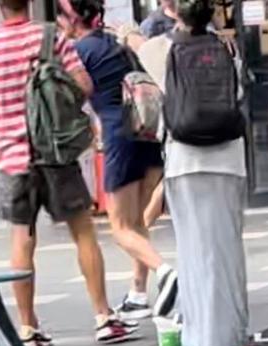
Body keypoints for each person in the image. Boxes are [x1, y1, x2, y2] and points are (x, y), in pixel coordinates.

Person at [0, 0, 139, 346]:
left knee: (22, 238)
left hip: (12, 158)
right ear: (29, 3)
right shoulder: (52, 38)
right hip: (57, 151)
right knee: (83, 231)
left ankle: (28, 328)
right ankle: (103, 316)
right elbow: (85, 85)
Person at [61, 0, 177, 321]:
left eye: (61, 13)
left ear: (73, 16)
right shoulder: (119, 40)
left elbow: (72, 97)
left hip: (118, 135)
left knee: (121, 227)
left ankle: (165, 272)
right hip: (148, 132)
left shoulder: (79, 51)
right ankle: (138, 294)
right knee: (138, 221)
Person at [163, 0, 255, 346]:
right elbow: (240, 95)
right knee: (227, 254)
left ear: (175, 13)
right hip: (227, 159)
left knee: (192, 251)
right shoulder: (228, 47)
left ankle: (195, 341)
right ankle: (231, 341)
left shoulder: (161, 49)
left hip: (182, 160)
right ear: (213, 14)